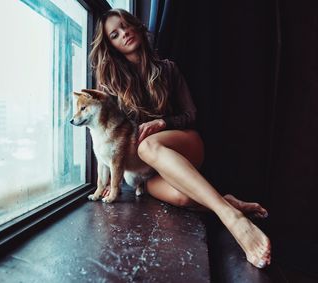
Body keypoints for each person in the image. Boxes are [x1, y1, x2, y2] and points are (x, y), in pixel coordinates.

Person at [89, 8, 271, 269]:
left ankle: (234, 221)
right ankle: (226, 203)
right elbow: (104, 133)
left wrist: (164, 122)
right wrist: (106, 178)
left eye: (126, 25)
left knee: (148, 145)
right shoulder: (112, 84)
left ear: (137, 26)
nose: (124, 33)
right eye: (115, 34)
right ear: (112, 46)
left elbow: (191, 114)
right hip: (146, 171)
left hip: (184, 144)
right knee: (183, 197)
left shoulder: (168, 69)